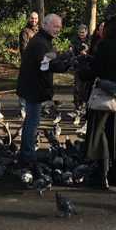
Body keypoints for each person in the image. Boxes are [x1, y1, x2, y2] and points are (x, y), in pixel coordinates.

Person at [79, 15, 116, 189]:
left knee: (100, 133)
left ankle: (102, 177)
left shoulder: (104, 44)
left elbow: (97, 70)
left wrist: (83, 73)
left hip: (102, 93)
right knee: (115, 134)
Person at [16, 14, 70, 165]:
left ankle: (26, 153)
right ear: (46, 25)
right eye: (55, 26)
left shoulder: (42, 39)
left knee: (30, 120)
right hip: (33, 88)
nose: (57, 30)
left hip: (30, 86)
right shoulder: (41, 42)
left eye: (59, 27)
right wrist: (66, 64)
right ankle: (28, 157)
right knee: (33, 121)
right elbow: (46, 66)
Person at [17, 12, 39, 120]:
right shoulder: (25, 31)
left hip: (36, 62)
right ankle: (23, 109)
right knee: (24, 85)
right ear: (28, 18)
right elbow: (23, 48)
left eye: (35, 18)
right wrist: (29, 60)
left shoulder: (37, 31)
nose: (33, 20)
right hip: (27, 62)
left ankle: (30, 109)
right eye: (32, 18)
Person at [69, 25, 92, 112]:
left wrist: (87, 54)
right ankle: (77, 106)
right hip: (78, 65)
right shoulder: (74, 40)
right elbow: (71, 50)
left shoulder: (90, 40)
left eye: (83, 32)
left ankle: (87, 106)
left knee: (88, 86)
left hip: (88, 65)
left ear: (86, 32)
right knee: (77, 87)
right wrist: (72, 54)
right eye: (80, 32)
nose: (81, 34)